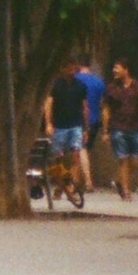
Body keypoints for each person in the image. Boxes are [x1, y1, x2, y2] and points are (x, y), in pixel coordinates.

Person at [104, 59, 138, 200]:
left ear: (126, 69)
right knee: (123, 159)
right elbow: (106, 109)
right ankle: (126, 191)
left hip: (136, 128)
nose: (114, 70)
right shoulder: (111, 88)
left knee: (135, 161)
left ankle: (119, 180)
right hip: (117, 128)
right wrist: (106, 131)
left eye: (117, 68)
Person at [43, 59, 90, 190]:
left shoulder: (80, 86)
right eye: (68, 68)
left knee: (76, 155)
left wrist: (86, 128)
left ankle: (72, 186)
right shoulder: (55, 85)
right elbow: (49, 104)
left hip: (76, 124)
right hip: (59, 125)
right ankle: (60, 185)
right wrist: (48, 123)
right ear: (62, 69)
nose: (71, 70)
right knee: (58, 157)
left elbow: (84, 107)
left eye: (73, 68)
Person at [76, 57, 108, 192]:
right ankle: (76, 183)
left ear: (78, 64)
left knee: (80, 150)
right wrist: (105, 128)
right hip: (94, 120)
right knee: (84, 151)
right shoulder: (99, 82)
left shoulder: (74, 80)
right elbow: (102, 104)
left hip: (77, 119)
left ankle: (87, 182)